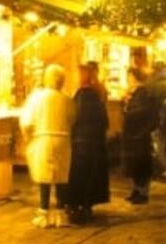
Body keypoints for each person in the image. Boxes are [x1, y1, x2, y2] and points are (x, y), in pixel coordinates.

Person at [20, 64, 76, 228]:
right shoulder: (67, 99)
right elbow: (72, 119)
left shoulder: (37, 97)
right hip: (63, 140)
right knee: (60, 178)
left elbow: (26, 121)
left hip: (43, 138)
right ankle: (60, 214)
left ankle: (43, 213)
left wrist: (27, 138)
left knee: (44, 177)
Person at [67, 63, 110, 223]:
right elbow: (104, 121)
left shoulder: (84, 95)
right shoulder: (96, 93)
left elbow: (76, 118)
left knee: (80, 175)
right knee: (91, 175)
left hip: (82, 141)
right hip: (94, 141)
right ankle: (86, 205)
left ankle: (79, 207)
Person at [122, 67, 157, 204]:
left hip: (140, 133)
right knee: (134, 163)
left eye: (130, 76)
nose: (128, 79)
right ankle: (136, 190)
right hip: (133, 133)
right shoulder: (134, 92)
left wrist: (128, 109)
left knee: (141, 162)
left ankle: (143, 192)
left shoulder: (143, 92)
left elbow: (142, 111)